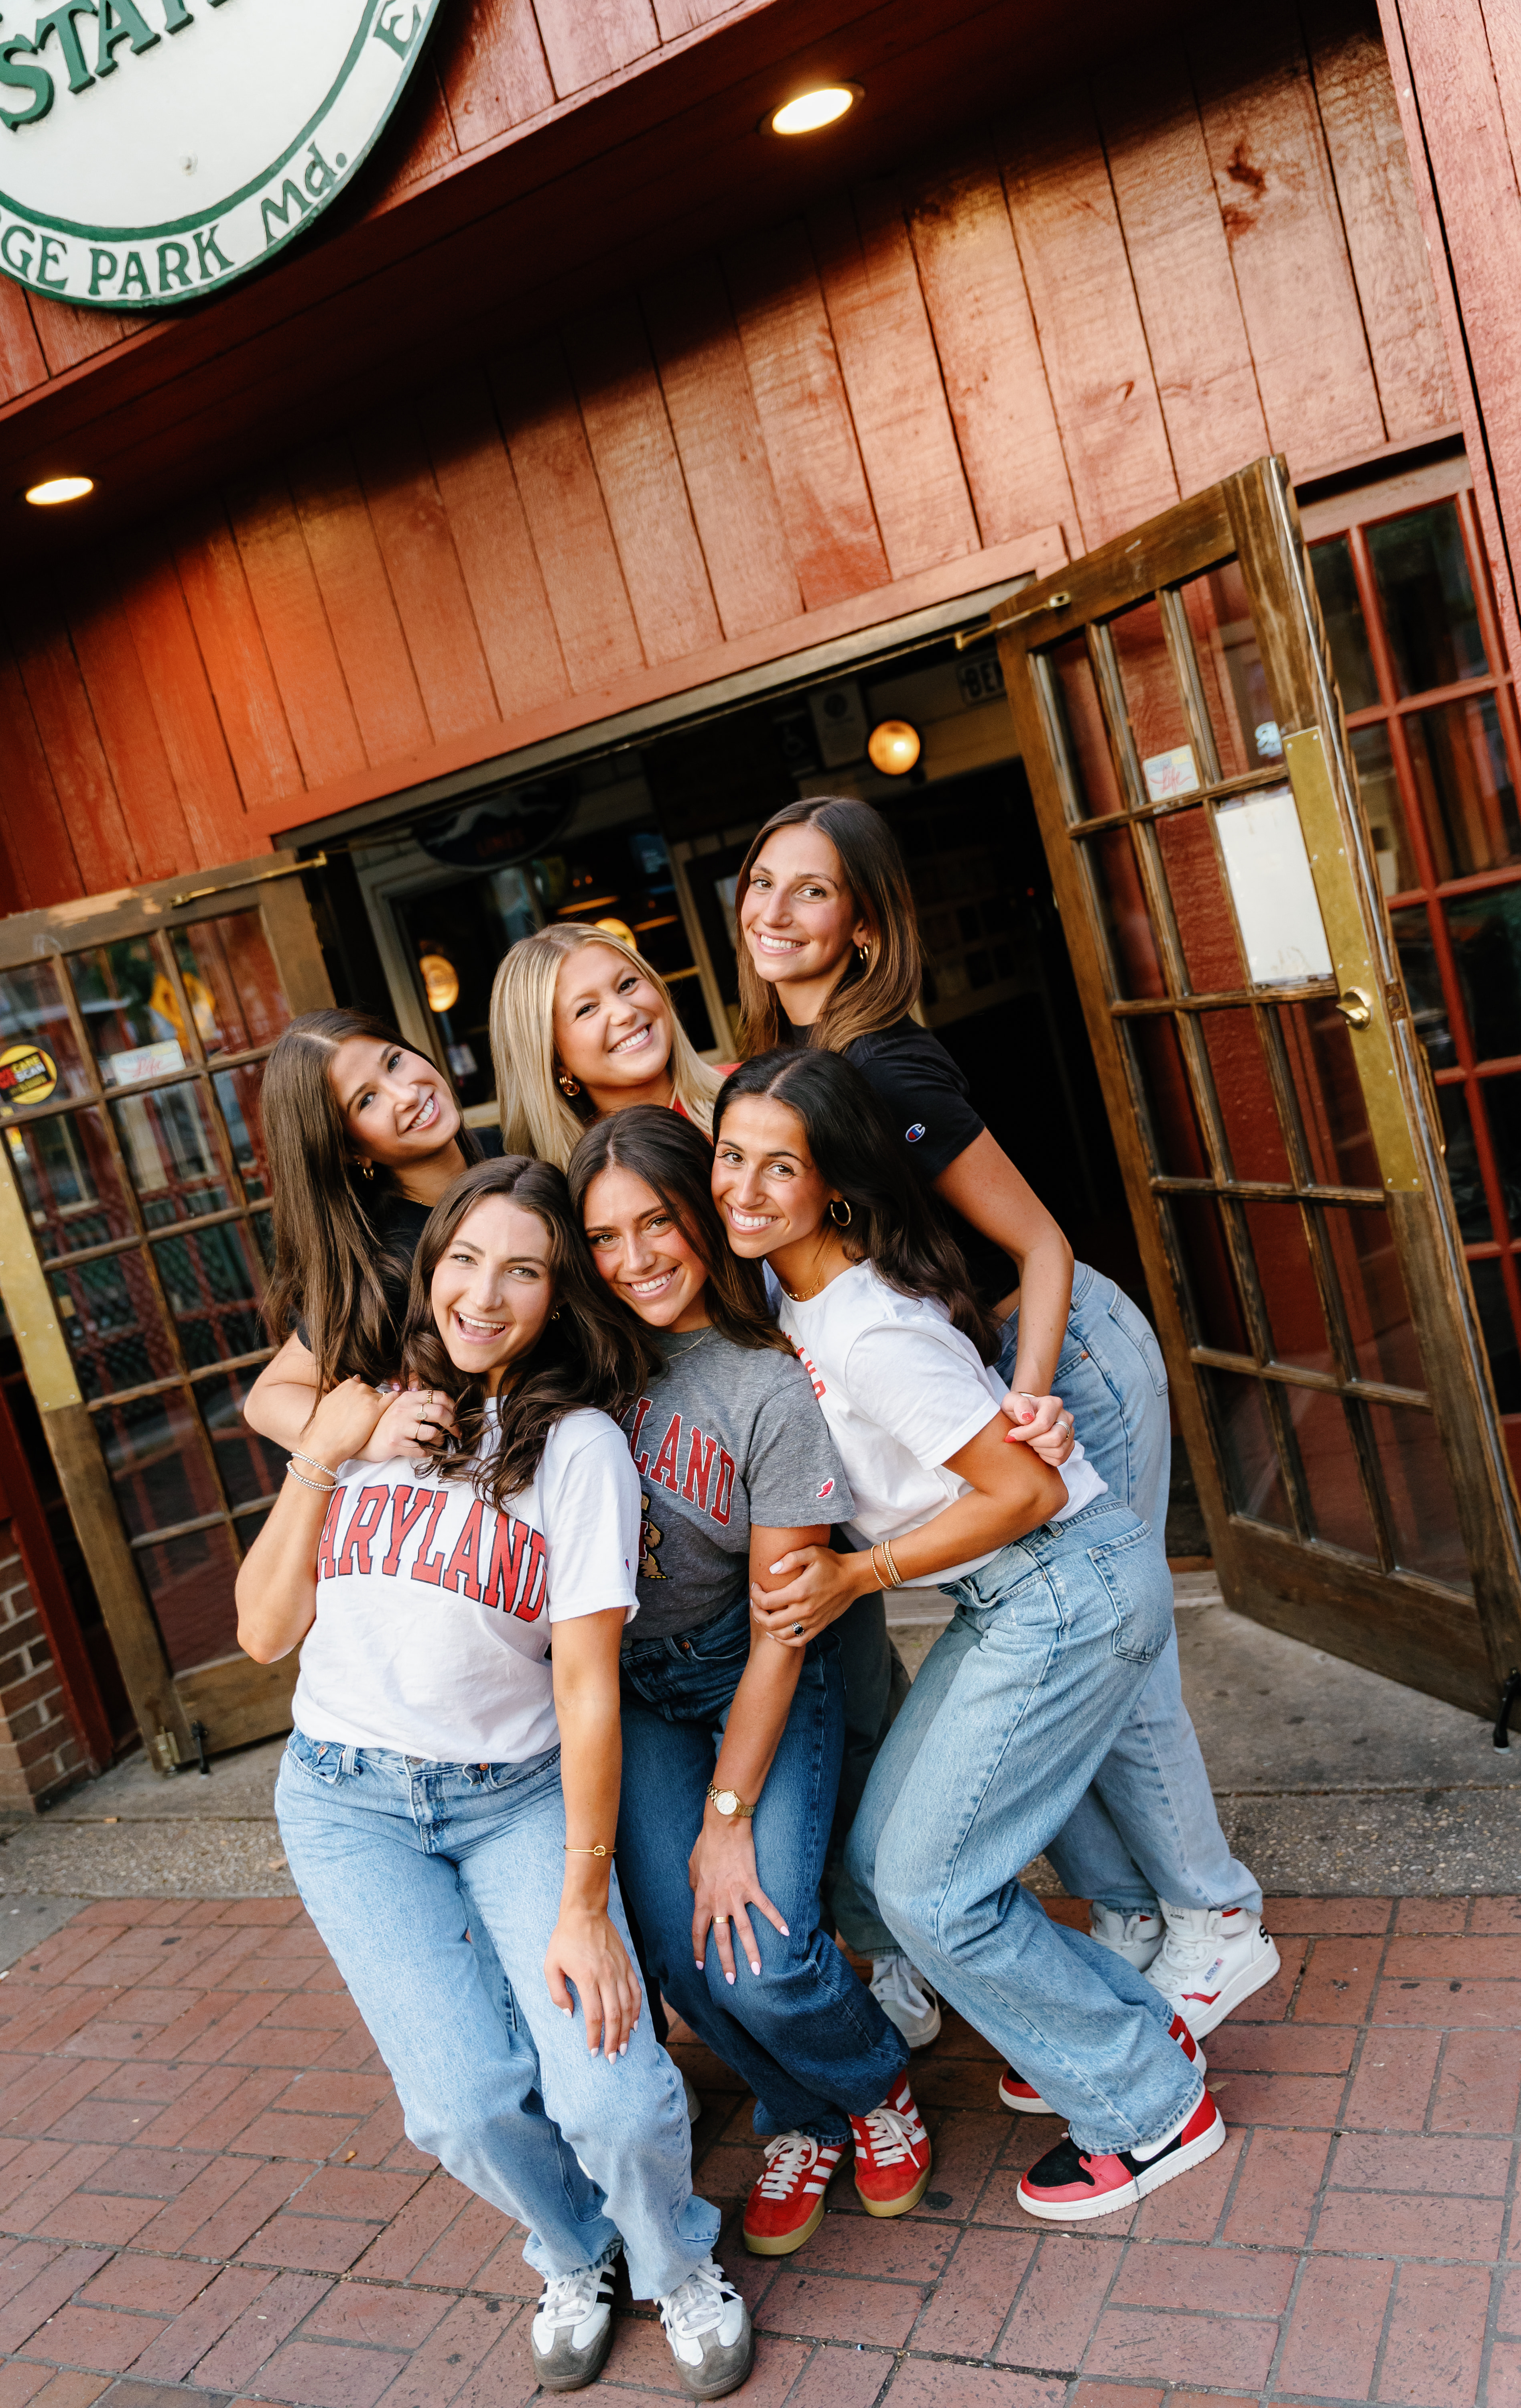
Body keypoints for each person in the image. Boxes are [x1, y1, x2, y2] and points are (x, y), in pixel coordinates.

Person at [733, 797, 1277, 2044]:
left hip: (1059, 1347)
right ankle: (1132, 1916)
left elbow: (1037, 1239)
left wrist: (1031, 1395)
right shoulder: (799, 1065)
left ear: (864, 927)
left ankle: (1215, 1917)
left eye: (809, 891)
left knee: (1106, 1633)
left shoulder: (885, 1066)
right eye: (761, 882)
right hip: (988, 1361)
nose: (772, 909)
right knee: (1049, 1643)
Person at [237, 1155, 754, 2398]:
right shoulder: (359, 1411)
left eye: (521, 1268)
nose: (483, 1290)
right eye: (465, 1258)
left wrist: (585, 1899)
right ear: (431, 1267)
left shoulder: (578, 1449)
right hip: (347, 1799)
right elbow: (262, 1631)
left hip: (511, 1798)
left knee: (617, 2094)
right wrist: (328, 1447)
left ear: (557, 1295)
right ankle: (577, 2251)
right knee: (461, 2104)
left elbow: (584, 1687)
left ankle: (677, 2258)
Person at [711, 1049, 1227, 2221]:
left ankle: (1151, 2106)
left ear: (833, 1185)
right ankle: (1135, 2041)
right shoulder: (792, 1295)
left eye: (775, 1166)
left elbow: (1025, 1493)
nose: (741, 1186)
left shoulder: (868, 1331)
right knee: (883, 1864)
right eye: (730, 1156)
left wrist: (860, 1573)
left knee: (936, 1891)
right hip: (1016, 1598)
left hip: (1065, 1588)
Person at [568, 1106, 926, 2259]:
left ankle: (874, 2089)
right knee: (682, 1957)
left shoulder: (766, 1387)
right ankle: (801, 2113)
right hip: (637, 1691)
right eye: (605, 1239)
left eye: (657, 1226)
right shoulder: (579, 1365)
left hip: (755, 1676)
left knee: (765, 1957)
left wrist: (728, 1819)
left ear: (704, 1220)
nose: (635, 1262)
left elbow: (783, 1630)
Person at [242, 1007, 473, 1464]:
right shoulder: (389, 1261)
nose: (405, 1094)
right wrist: (373, 1434)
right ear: (349, 1149)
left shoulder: (517, 1150)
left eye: (394, 1062)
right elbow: (266, 1400)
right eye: (366, 1101)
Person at [491, 923, 722, 1167]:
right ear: (554, 1060)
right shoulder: (570, 1191)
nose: (625, 1013)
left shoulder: (756, 1095)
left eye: (627, 984)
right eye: (587, 1009)